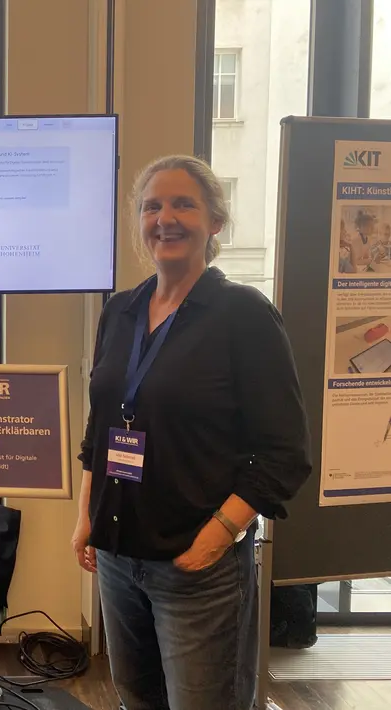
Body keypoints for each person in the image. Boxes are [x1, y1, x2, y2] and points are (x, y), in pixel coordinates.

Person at [71, 155, 312, 710]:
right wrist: (86, 516)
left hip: (197, 567)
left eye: (184, 204)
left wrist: (216, 538)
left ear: (215, 222)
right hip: (117, 557)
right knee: (138, 699)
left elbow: (285, 452)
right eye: (152, 206)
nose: (166, 218)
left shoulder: (243, 314)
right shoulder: (120, 311)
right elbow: (101, 429)